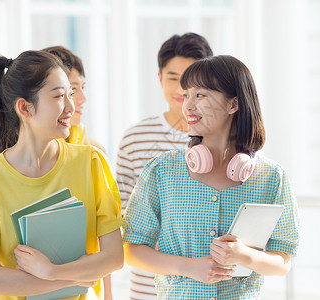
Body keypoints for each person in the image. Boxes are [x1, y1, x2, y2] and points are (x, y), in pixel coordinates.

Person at [122, 55, 300, 299]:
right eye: (187, 95)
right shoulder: (162, 171)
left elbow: (283, 260)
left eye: (200, 95)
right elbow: (132, 249)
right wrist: (188, 267)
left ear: (233, 105)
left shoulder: (272, 178)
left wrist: (245, 256)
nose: (188, 106)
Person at [0, 50, 123, 300]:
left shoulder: (92, 163)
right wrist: (67, 277)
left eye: (71, 93)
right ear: (24, 107)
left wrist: (51, 271)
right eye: (58, 96)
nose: (70, 106)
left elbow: (113, 257)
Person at [115, 32, 213, 299]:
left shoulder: (224, 139)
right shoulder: (134, 138)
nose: (182, 89)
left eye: (193, 80)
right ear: (159, 78)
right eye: (173, 78)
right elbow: (120, 219)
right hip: (148, 289)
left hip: (209, 288)